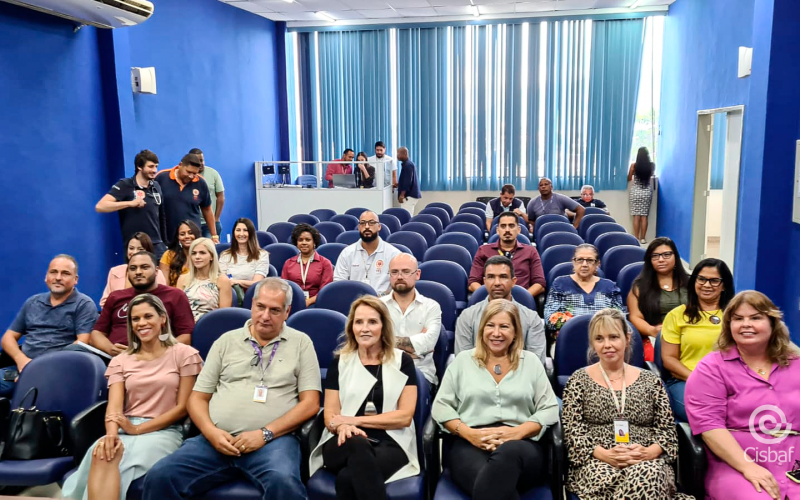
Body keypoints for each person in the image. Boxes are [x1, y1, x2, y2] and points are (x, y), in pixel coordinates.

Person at [142, 278, 321, 500]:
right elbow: (197, 398)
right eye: (260, 307)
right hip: (215, 441)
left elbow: (311, 403)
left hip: (273, 442)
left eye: (275, 310)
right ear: (252, 305)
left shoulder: (301, 343)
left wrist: (264, 434)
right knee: (160, 476)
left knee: (283, 483)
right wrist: (211, 432)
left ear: (287, 312)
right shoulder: (226, 341)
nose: (265, 316)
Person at [61, 294, 202, 500]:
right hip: (124, 429)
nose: (141, 323)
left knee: (120, 465)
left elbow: (183, 408)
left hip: (163, 431)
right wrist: (111, 434)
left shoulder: (185, 354)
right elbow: (114, 408)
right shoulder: (121, 360)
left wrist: (137, 429)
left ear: (162, 319)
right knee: (104, 452)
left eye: (148, 316)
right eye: (135, 319)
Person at [433, 299, 559, 499]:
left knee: (505, 458)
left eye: (504, 326)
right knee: (491, 482)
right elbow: (441, 407)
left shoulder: (531, 362)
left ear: (516, 332)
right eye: (490, 325)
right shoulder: (463, 361)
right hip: (470, 443)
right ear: (482, 329)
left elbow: (550, 408)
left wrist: (517, 432)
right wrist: (470, 434)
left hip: (522, 446)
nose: (496, 333)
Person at [562, 309, 690, 500]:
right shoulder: (578, 380)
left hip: (648, 460)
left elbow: (667, 433)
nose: (607, 345)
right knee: (639, 480)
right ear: (592, 343)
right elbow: (573, 432)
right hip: (597, 462)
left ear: (627, 338)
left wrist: (647, 453)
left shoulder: (650, 381)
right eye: (599, 339)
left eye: (614, 337)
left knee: (648, 474)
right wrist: (606, 456)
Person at [685, 291, 800, 500]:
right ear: (729, 325)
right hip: (736, 464)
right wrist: (748, 466)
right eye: (738, 319)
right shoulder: (711, 368)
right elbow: (709, 426)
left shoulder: (796, 362)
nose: (746, 324)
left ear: (772, 323)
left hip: (794, 461)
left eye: (755, 317)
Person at [309, 296, 419, 500]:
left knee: (347, 478)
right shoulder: (339, 363)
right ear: (351, 327)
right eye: (359, 322)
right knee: (356, 443)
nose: (364, 328)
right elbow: (331, 415)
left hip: (391, 441)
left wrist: (353, 420)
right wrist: (342, 426)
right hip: (343, 440)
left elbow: (404, 417)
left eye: (372, 322)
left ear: (383, 326)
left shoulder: (402, 361)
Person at [0, 255, 97, 395]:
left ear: (75, 280)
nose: (58, 277)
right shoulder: (33, 302)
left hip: (57, 372)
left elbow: (82, 343)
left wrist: (40, 369)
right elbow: (8, 338)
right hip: (21, 368)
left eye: (65, 273)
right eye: (53, 272)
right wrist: (21, 360)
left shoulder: (84, 304)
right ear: (46, 277)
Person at [661, 258, 734, 422]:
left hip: (730, 382)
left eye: (714, 280)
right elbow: (669, 359)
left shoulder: (735, 316)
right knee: (708, 415)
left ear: (724, 285)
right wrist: (700, 379)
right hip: (687, 380)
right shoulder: (677, 315)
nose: (707, 285)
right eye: (701, 279)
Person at [91, 252, 195, 356]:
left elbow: (186, 336)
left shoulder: (175, 295)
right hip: (116, 359)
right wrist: (110, 349)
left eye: (144, 267)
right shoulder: (115, 297)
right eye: (133, 268)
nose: (138, 272)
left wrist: (158, 353)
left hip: (160, 360)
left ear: (156, 271)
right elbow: (97, 333)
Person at [455, 256, 546, 366]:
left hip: (520, 380)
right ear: (484, 281)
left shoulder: (531, 318)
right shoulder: (467, 316)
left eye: (503, 277)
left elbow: (535, 364)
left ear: (513, 281)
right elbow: (463, 362)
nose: (497, 282)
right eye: (491, 277)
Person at [380, 253, 442, 385]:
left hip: (420, 373)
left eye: (406, 272)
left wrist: (387, 342)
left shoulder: (431, 306)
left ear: (417, 274)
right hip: (384, 370)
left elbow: (428, 343)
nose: (400, 277)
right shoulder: (378, 306)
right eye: (394, 272)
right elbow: (372, 343)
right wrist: (415, 350)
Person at [96, 150, 168, 258]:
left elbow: (162, 216)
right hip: (135, 247)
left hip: (157, 246)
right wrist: (130, 203)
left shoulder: (156, 186)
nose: (155, 170)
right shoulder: (126, 185)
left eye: (156, 166)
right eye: (151, 166)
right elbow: (101, 206)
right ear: (139, 166)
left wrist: (165, 242)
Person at [627, 237, 690, 362]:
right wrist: (652, 330)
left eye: (666, 255)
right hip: (657, 337)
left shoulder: (691, 283)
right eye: (655, 256)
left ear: (675, 257)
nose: (661, 259)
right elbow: (635, 317)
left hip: (690, 334)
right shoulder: (640, 286)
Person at [544, 244, 623, 341]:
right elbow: (550, 317)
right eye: (580, 260)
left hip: (604, 339)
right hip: (570, 338)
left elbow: (620, 318)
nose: (584, 264)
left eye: (590, 260)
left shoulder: (610, 286)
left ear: (597, 264)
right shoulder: (560, 284)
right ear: (573, 262)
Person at [468, 212, 546, 297]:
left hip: (520, 303)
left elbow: (539, 284)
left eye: (511, 226)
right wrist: (490, 298)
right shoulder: (483, 250)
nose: (507, 230)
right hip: (490, 303)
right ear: (497, 230)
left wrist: (523, 298)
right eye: (503, 226)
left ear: (519, 230)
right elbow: (473, 282)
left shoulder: (530, 251)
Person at [334, 211, 402, 295]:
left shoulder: (393, 254)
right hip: (353, 303)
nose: (366, 227)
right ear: (359, 227)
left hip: (383, 304)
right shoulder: (347, 253)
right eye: (363, 223)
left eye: (371, 223)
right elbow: (339, 283)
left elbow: (400, 285)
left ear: (379, 227)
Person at [155, 153, 218, 243]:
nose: (191, 176)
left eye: (194, 173)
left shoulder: (201, 182)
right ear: (180, 165)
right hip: (167, 237)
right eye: (188, 172)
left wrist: (214, 235)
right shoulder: (161, 177)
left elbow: (207, 209)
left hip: (193, 238)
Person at [100, 232, 167, 307]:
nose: (134, 252)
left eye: (140, 249)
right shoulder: (115, 272)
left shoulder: (157, 273)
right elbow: (104, 302)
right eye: (131, 248)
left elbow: (162, 299)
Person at [176, 238, 232, 322]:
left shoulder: (222, 280)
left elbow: (223, 316)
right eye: (194, 253)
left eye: (202, 253)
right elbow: (178, 311)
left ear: (212, 256)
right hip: (186, 326)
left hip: (210, 325)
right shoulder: (182, 279)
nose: (197, 257)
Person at [219, 218, 270, 306]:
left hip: (253, 298)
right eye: (238, 230)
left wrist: (236, 282)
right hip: (228, 297)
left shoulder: (262, 255)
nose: (241, 234)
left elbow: (257, 283)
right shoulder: (225, 255)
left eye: (245, 230)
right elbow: (220, 280)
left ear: (251, 233)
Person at [282, 223, 333, 307]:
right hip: (292, 304)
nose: (304, 243)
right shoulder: (289, 263)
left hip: (316, 303)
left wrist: (307, 302)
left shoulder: (325, 263)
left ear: (314, 242)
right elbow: (284, 288)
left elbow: (324, 291)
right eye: (300, 240)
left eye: (308, 240)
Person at [189, 148, 225, 239]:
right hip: (192, 223)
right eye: (197, 161)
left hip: (210, 223)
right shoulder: (187, 176)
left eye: (202, 160)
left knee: (210, 249)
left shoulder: (213, 174)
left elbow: (220, 197)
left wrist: (216, 218)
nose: (201, 163)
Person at [160, 220, 201, 287]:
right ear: (178, 238)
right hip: (173, 295)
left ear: (196, 235)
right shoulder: (169, 255)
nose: (187, 236)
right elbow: (164, 285)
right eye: (182, 234)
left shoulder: (204, 255)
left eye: (190, 233)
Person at [627, 147, 655, 244]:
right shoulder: (651, 165)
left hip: (636, 191)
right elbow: (651, 176)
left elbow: (629, 178)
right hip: (647, 191)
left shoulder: (634, 166)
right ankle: (643, 238)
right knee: (644, 216)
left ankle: (636, 238)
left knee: (636, 216)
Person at [396, 147, 421, 215]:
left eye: (398, 153)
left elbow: (407, 182)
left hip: (408, 196)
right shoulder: (408, 164)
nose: (397, 155)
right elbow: (407, 179)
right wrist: (399, 184)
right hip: (410, 195)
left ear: (405, 153)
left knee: (407, 216)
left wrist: (402, 195)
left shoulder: (407, 165)